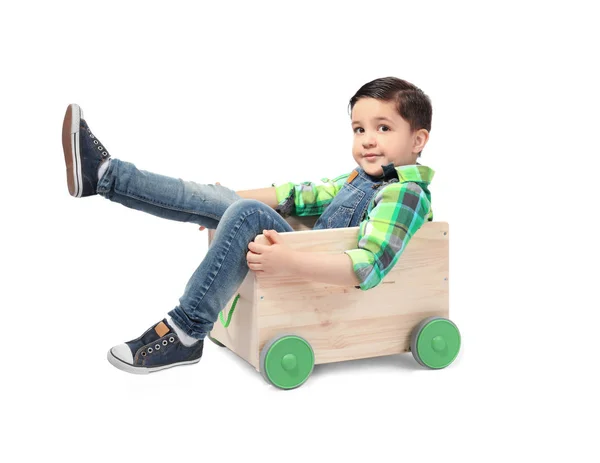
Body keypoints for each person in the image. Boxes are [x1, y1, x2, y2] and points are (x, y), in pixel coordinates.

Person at [61, 76, 436, 375]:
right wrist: (218, 200)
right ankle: (104, 176)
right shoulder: (362, 178)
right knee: (234, 203)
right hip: (298, 257)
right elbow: (299, 195)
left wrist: (288, 261)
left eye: (383, 128)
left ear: (418, 139)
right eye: (359, 129)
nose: (368, 141)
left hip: (311, 273)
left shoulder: (404, 195)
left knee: (248, 213)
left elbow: (367, 267)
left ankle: (186, 331)